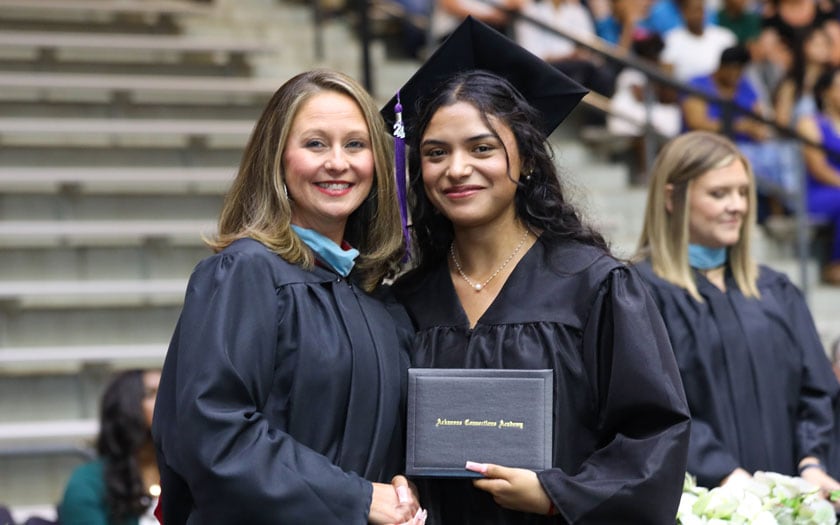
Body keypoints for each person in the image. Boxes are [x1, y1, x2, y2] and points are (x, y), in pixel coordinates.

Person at [383, 17, 691, 523]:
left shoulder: (594, 286)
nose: (456, 169)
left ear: (525, 159)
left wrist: (559, 494)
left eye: (481, 147)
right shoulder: (408, 300)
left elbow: (653, 435)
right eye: (436, 153)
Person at [151, 69, 422, 525]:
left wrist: (398, 487)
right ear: (277, 158)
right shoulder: (245, 273)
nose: (338, 163)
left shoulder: (375, 298)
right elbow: (216, 434)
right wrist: (355, 498)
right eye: (315, 144)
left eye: (355, 145)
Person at [633, 130, 840, 500]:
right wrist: (724, 474)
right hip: (701, 503)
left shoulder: (775, 290)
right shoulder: (638, 293)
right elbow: (648, 406)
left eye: (743, 192)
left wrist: (812, 462)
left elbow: (816, 391)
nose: (738, 206)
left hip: (788, 499)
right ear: (672, 198)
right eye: (719, 193)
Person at [59, 369, 162, 525]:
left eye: (169, 391)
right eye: (152, 393)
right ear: (125, 407)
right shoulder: (88, 483)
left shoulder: (189, 473)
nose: (168, 401)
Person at [795, 66, 840, 285]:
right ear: (825, 91)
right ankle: (835, 265)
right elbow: (818, 168)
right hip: (817, 193)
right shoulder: (809, 122)